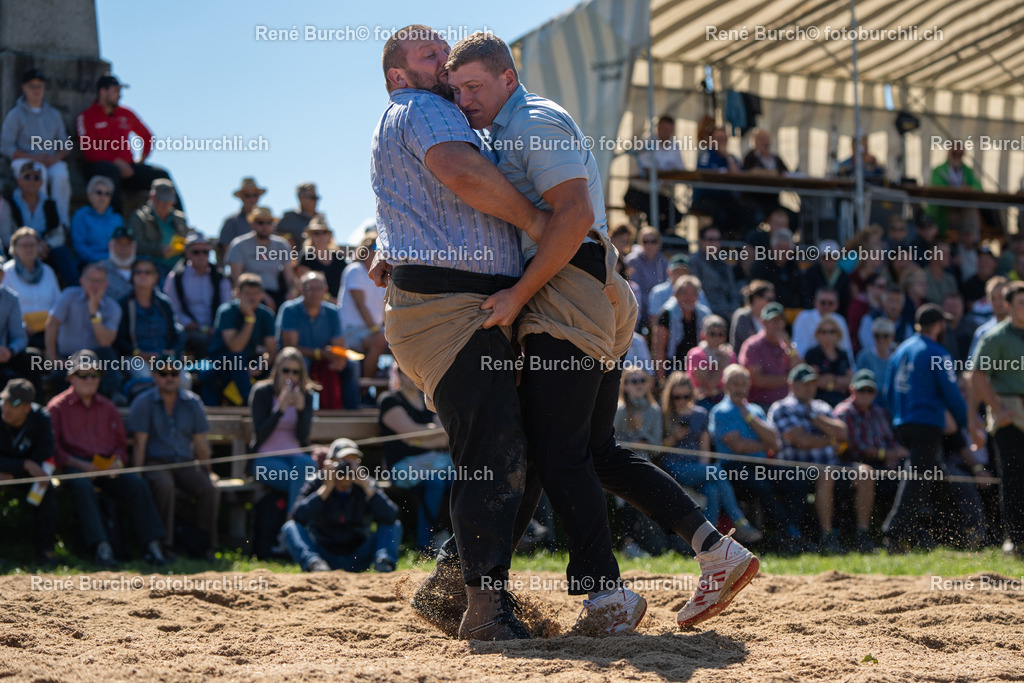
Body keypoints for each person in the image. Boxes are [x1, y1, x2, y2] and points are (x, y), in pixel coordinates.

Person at [444, 31, 759, 634]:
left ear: (508, 78)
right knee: (596, 453)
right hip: (594, 288)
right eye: (456, 90)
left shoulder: (531, 121)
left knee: (559, 455)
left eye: (474, 86)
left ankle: (605, 596)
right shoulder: (515, 127)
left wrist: (517, 292)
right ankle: (716, 550)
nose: (464, 99)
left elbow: (576, 215)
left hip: (570, 287)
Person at [369, 25, 549, 641]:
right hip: (447, 306)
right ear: (399, 76)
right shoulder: (419, 108)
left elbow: (411, 196)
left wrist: (383, 240)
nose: (442, 65)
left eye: (445, 55)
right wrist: (536, 220)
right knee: (494, 448)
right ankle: (483, 607)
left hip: (459, 304)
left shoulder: (431, 115)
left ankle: (453, 589)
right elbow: (457, 172)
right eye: (428, 56)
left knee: (516, 447)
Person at [48, 350, 168, 567]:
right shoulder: (57, 407)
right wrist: (80, 465)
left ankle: (152, 545)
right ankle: (102, 547)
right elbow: (53, 449)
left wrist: (117, 464)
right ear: (71, 378)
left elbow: (121, 447)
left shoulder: (108, 407)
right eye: (83, 375)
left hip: (106, 467)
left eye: (94, 375)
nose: (90, 380)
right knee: (82, 485)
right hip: (73, 467)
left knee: (137, 484)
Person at [882, 304, 968, 550]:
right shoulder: (938, 353)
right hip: (926, 423)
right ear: (939, 325)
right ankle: (895, 535)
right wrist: (966, 424)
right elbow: (953, 395)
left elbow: (887, 391)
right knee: (917, 478)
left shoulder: (899, 350)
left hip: (902, 422)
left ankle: (956, 530)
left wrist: (897, 418)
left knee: (934, 473)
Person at [768, 364, 870, 554]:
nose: (809, 388)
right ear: (792, 385)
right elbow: (801, 441)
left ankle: (862, 533)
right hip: (795, 469)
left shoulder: (821, 406)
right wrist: (830, 439)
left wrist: (816, 418)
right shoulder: (781, 407)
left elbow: (844, 433)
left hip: (829, 466)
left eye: (813, 383)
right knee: (826, 472)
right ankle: (827, 535)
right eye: (804, 384)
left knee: (865, 472)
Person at [129, 353, 219, 559]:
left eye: (174, 372)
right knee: (165, 485)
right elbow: (139, 444)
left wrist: (209, 472)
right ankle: (165, 546)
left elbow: (200, 444)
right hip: (155, 463)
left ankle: (206, 547)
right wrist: (138, 475)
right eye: (163, 373)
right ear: (153, 375)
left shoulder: (193, 402)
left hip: (185, 463)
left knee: (209, 488)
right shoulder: (143, 403)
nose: (169, 377)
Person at [659, 372, 762, 543]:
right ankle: (739, 520)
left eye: (685, 396)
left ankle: (708, 542)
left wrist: (703, 471)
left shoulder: (700, 414)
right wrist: (674, 437)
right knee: (717, 472)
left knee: (712, 490)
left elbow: (704, 447)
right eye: (677, 397)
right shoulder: (664, 414)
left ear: (691, 394)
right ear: (670, 396)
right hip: (674, 467)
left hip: (698, 468)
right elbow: (657, 450)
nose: (682, 400)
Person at [709, 365, 803, 548]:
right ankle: (788, 533)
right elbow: (738, 445)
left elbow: (775, 443)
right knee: (762, 487)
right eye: (734, 383)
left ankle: (791, 531)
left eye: (743, 384)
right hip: (733, 468)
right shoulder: (720, 411)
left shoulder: (756, 410)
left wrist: (749, 417)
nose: (739, 388)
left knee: (797, 481)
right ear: (725, 386)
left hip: (760, 465)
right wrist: (763, 444)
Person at [280, 438, 401, 573]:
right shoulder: (317, 482)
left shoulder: (366, 484)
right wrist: (325, 490)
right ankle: (314, 565)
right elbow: (297, 516)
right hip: (323, 556)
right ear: (330, 463)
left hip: (357, 555)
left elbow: (391, 516)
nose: (347, 469)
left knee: (393, 525)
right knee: (290, 527)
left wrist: (368, 488)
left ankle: (384, 565)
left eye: (352, 463)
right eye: (343, 463)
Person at [969, 281, 1024, 559]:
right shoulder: (995, 337)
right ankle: (1015, 540)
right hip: (1009, 413)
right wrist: (996, 409)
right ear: (1008, 306)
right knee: (1013, 478)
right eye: (1020, 303)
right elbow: (977, 375)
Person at [76, 74, 178, 214]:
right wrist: (116, 162)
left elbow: (147, 136)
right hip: (100, 169)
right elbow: (89, 150)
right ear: (102, 92)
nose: (119, 95)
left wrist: (141, 160)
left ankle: (180, 226)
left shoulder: (126, 114)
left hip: (128, 169)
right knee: (111, 171)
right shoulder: (86, 117)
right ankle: (118, 225)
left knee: (162, 175)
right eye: (115, 91)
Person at [378, 365, 453, 552]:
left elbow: (447, 436)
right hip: (402, 467)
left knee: (461, 479)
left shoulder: (430, 400)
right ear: (399, 375)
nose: (413, 376)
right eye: (407, 372)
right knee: (434, 482)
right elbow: (408, 433)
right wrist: (429, 435)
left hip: (437, 462)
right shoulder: (389, 400)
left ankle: (458, 539)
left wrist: (418, 439)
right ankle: (424, 544)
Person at [834, 368, 908, 551]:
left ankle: (904, 532)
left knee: (913, 471)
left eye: (869, 391)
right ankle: (862, 534)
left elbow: (891, 441)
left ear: (875, 393)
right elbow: (855, 447)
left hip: (881, 464)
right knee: (866, 472)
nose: (865, 394)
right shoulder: (844, 412)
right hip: (847, 465)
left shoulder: (880, 412)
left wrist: (892, 456)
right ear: (852, 390)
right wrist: (885, 455)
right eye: (861, 390)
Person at [277, 271, 359, 410]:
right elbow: (291, 348)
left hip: (324, 359)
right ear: (301, 290)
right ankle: (301, 409)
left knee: (352, 365)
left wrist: (338, 359)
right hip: (300, 359)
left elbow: (338, 344)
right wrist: (319, 354)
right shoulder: (289, 310)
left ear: (325, 290)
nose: (315, 293)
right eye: (310, 289)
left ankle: (350, 410)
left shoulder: (333, 312)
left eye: (319, 289)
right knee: (300, 363)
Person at [1, 69, 71, 228]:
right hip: (25, 160)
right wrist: (35, 158)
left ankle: (61, 224)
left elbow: (66, 144)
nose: (36, 90)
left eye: (40, 86)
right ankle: (41, 223)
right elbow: (5, 146)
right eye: (32, 86)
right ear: (24, 88)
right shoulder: (15, 114)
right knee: (38, 174)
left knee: (60, 173)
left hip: (51, 160)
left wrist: (55, 158)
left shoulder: (54, 114)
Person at [249, 347, 317, 508]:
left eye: (296, 372)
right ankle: (296, 522)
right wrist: (280, 409)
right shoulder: (262, 392)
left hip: (297, 458)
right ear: (277, 370)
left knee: (306, 464)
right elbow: (260, 434)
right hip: (265, 459)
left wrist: (301, 412)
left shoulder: (306, 396)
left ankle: (291, 522)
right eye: (285, 371)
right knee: (305, 482)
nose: (290, 376)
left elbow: (303, 437)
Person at [0, 379, 58, 565]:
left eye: (13, 404)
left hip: (24, 477)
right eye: (4, 401)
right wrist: (24, 464)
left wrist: (13, 472)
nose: (6, 408)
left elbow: (44, 456)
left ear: (27, 407)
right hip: (17, 473)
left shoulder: (41, 418)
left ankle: (46, 552)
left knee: (46, 487)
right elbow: (31, 464)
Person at [44, 264, 122, 399]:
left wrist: (94, 311)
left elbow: (105, 341)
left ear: (106, 284)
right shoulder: (69, 296)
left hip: (97, 360)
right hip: (68, 358)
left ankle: (115, 396)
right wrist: (53, 358)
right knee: (59, 378)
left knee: (107, 354)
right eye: (91, 280)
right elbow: (52, 324)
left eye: (99, 281)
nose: (94, 285)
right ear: (82, 281)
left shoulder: (113, 307)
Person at [201, 273, 276, 406]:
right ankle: (250, 403)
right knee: (236, 359)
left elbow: (271, 350)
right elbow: (235, 347)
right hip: (222, 360)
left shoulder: (266, 315)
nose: (252, 297)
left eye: (256, 293)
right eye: (247, 293)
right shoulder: (226, 311)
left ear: (261, 294)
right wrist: (250, 319)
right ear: (237, 293)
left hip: (250, 362)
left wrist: (260, 365)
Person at [114, 257, 184, 393]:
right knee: (145, 377)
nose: (142, 276)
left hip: (163, 358)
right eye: (138, 272)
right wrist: (139, 354)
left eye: (147, 272)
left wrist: (170, 352)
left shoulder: (164, 304)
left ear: (156, 277)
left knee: (184, 380)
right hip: (136, 358)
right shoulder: (124, 304)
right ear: (132, 277)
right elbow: (119, 340)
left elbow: (176, 333)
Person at [4, 160, 78, 286]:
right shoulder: (8, 203)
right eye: (27, 177)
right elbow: (5, 236)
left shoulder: (49, 203)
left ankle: (75, 292)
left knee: (62, 252)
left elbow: (59, 234)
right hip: (17, 251)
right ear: (19, 180)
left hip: (44, 250)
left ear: (42, 182)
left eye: (36, 177)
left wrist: (43, 246)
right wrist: (28, 246)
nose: (32, 181)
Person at [163, 233, 231, 357]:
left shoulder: (220, 277)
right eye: (196, 252)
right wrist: (198, 327)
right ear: (187, 253)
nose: (201, 256)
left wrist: (215, 329)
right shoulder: (176, 278)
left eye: (205, 252)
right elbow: (174, 310)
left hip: (216, 330)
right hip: (189, 330)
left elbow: (226, 306)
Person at [622, 115, 685, 232]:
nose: (667, 133)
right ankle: (654, 239)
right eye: (664, 129)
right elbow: (647, 171)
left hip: (657, 193)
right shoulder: (647, 142)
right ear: (658, 128)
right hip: (637, 192)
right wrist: (667, 175)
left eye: (669, 130)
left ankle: (657, 238)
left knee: (676, 215)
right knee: (653, 214)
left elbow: (681, 171)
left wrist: (667, 176)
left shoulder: (674, 146)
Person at [226, 206, 296, 310]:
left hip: (277, 295)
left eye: (269, 222)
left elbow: (289, 277)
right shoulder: (239, 245)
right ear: (252, 224)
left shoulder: (281, 244)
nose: (265, 226)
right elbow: (236, 280)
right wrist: (261, 296)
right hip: (249, 296)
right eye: (260, 222)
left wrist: (292, 293)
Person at [339, 233, 387, 381]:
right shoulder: (355, 270)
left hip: (374, 330)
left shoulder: (385, 276)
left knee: (403, 340)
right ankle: (364, 391)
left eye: (382, 248)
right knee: (378, 341)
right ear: (364, 251)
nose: (379, 251)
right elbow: (361, 305)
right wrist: (376, 330)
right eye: (375, 247)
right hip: (350, 332)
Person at [3, 227, 60, 350]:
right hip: (20, 333)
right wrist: (21, 326)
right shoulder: (6, 272)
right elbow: (4, 306)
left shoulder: (48, 271)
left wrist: (52, 323)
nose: (28, 249)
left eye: (32, 245)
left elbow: (58, 302)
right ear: (14, 248)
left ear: (38, 247)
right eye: (24, 245)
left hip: (49, 330)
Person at [738, 302, 800, 410]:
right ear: (763, 322)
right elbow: (758, 380)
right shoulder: (752, 345)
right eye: (773, 321)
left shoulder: (787, 345)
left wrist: (790, 347)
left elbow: (800, 371)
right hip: (761, 405)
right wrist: (790, 379)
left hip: (788, 405)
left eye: (781, 320)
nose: (778, 324)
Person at [653, 275, 712, 383]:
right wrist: (662, 380)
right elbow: (659, 349)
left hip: (698, 366)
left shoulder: (704, 315)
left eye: (693, 293)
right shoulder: (666, 314)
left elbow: (711, 345)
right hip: (673, 367)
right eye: (684, 293)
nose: (689, 298)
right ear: (676, 295)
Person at [125, 179, 189, 275]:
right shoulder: (139, 217)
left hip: (179, 267)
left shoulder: (180, 218)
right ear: (152, 197)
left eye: (168, 200)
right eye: (161, 200)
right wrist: (159, 250)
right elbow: (135, 245)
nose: (165, 204)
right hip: (152, 267)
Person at [926, 144, 983, 236]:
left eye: (960, 154)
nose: (957, 156)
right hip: (944, 210)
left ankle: (970, 242)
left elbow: (979, 187)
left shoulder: (967, 171)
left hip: (962, 209)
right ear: (949, 153)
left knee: (972, 214)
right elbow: (936, 188)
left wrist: (969, 188)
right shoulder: (938, 170)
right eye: (955, 153)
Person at [688, 225, 741, 321]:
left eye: (717, 239)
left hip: (726, 312)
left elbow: (733, 293)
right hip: (705, 313)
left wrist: (733, 310)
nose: (714, 243)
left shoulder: (724, 264)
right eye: (710, 239)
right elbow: (697, 293)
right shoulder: (694, 262)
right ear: (701, 241)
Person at [70, 175, 124, 266]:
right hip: (88, 264)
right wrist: (99, 260)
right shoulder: (81, 216)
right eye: (99, 192)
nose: (103, 197)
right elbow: (79, 245)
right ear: (89, 194)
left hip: (114, 264)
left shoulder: (117, 219)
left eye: (107, 194)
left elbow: (122, 245)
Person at [686, 315, 735, 410]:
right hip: (700, 401)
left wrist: (716, 392)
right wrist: (721, 364)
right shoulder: (696, 355)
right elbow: (710, 385)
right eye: (712, 334)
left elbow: (733, 383)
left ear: (725, 337)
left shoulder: (730, 354)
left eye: (720, 334)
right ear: (703, 335)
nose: (716, 338)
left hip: (723, 398)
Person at [0, 264, 36, 392]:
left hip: (4, 357)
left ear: (2, 275)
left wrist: (10, 350)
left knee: (33, 358)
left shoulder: (11, 298)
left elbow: (19, 336)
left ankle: (34, 407)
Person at [803, 317, 854, 407]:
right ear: (818, 334)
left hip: (842, 402)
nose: (828, 335)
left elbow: (851, 381)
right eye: (824, 332)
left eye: (832, 331)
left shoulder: (843, 355)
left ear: (838, 334)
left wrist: (832, 380)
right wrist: (838, 384)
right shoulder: (813, 354)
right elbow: (812, 381)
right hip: (818, 402)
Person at [792, 287, 854, 360]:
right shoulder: (803, 318)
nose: (826, 306)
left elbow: (846, 348)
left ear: (837, 305)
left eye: (830, 303)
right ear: (815, 302)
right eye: (823, 302)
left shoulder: (840, 320)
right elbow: (799, 348)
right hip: (810, 363)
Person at [623, 227, 668, 326]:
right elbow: (633, 291)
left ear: (659, 243)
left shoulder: (663, 261)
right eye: (645, 241)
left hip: (658, 309)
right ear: (640, 242)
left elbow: (666, 287)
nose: (649, 245)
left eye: (653, 241)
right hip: (638, 309)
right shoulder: (632, 261)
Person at [741, 129, 789, 223]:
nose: (765, 142)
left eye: (766, 139)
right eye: (761, 139)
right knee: (756, 215)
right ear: (755, 142)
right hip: (754, 200)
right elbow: (750, 172)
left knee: (793, 217)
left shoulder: (775, 158)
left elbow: (785, 173)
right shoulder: (751, 157)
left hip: (773, 201)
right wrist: (773, 174)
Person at [293, 216, 346, 301]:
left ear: (329, 235)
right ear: (310, 236)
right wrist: (333, 301)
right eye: (316, 233)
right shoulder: (306, 257)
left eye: (324, 232)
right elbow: (306, 285)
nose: (321, 236)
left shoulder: (339, 258)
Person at [218, 177, 264, 264]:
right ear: (241, 197)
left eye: (255, 194)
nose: (252, 199)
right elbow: (227, 253)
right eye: (247, 195)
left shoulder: (268, 221)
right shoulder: (231, 222)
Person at [800, 240, 851, 314]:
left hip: (837, 315)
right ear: (820, 258)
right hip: (815, 314)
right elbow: (806, 296)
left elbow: (845, 299)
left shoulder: (843, 275)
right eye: (825, 257)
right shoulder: (810, 273)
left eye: (832, 257)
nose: (828, 260)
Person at [855, 318, 896, 406]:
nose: (881, 340)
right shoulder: (864, 357)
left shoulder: (896, 358)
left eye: (885, 336)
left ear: (892, 337)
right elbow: (860, 384)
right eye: (877, 336)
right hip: (870, 406)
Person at [92, 225, 136, 303]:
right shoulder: (99, 270)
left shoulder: (144, 270)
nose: (123, 248)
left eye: (127, 244)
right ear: (110, 246)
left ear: (134, 247)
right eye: (119, 244)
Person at [731, 280, 774, 350]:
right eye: (769, 299)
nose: (772, 303)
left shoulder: (765, 318)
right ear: (756, 299)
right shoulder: (742, 316)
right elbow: (751, 344)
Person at [276, 182, 322, 247]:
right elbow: (274, 234)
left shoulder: (320, 218)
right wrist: (287, 239)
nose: (316, 201)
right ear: (301, 198)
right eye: (312, 197)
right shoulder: (290, 217)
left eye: (317, 197)